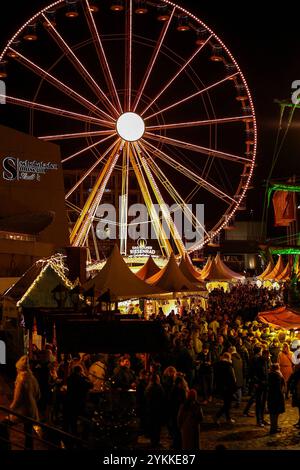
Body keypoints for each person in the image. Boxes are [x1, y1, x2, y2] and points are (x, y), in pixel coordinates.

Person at [10, 355, 40, 450]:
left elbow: (17, 398)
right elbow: (38, 394)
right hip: (31, 409)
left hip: (22, 410)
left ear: (19, 368)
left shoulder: (21, 379)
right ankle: (29, 448)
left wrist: (11, 408)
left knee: (4, 424)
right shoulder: (32, 377)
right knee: (28, 431)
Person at [267, 363, 285, 434]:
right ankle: (273, 428)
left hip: (272, 396)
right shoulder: (277, 375)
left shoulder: (271, 375)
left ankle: (274, 426)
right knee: (274, 413)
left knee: (274, 413)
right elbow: (279, 386)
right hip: (276, 396)